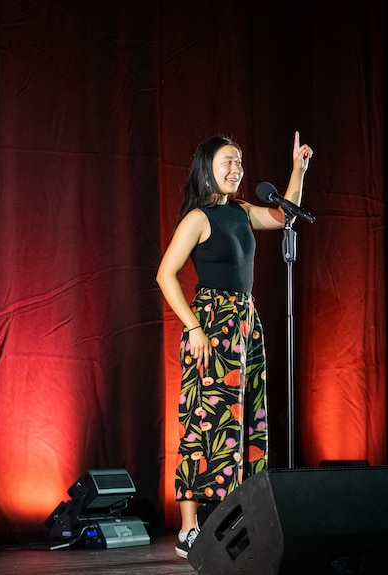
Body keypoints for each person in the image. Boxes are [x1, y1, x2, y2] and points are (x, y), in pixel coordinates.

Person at [156, 131, 313, 559]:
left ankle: (238, 513)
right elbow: (165, 274)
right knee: (202, 422)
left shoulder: (242, 211)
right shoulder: (198, 218)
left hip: (245, 322)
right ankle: (189, 529)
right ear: (207, 168)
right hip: (211, 322)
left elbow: (284, 217)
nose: (236, 169)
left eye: (239, 162)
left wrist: (298, 169)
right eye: (227, 161)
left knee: (245, 421)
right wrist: (193, 328)